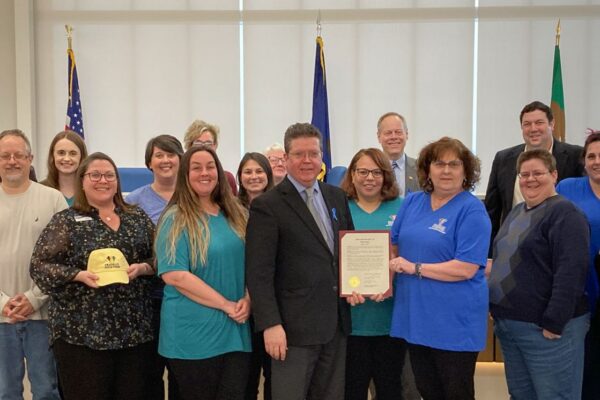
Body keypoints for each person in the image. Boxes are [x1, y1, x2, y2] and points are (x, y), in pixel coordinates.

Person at [30, 152, 156, 400]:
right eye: (95, 175)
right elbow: (40, 267)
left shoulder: (137, 218)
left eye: (109, 175)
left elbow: (163, 259)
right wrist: (77, 275)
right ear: (82, 180)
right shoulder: (66, 221)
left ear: (117, 181)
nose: (103, 180)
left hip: (134, 334)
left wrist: (143, 268)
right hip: (81, 335)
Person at [246, 122, 354, 400]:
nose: (307, 161)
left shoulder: (336, 196)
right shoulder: (267, 205)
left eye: (313, 153)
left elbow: (348, 252)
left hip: (335, 324)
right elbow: (259, 272)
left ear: (321, 158)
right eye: (299, 154)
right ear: (286, 157)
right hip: (292, 330)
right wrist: (270, 324)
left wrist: (358, 283)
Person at [388, 136, 491, 400]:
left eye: (454, 165)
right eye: (439, 164)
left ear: (466, 171)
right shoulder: (412, 202)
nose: (446, 171)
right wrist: (377, 279)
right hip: (416, 316)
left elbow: (466, 268)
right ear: (427, 169)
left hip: (454, 322)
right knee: (428, 390)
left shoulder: (473, 210)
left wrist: (415, 268)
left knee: (455, 392)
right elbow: (393, 247)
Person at [489, 149, 590, 399]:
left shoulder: (566, 214)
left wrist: (554, 323)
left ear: (554, 175)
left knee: (555, 395)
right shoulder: (517, 212)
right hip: (512, 327)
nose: (530, 179)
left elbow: (571, 272)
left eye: (538, 173)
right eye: (524, 174)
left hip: (547, 331)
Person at [155, 146, 251, 400]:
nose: (204, 173)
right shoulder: (175, 218)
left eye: (210, 167)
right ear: (185, 175)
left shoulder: (237, 215)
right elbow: (174, 275)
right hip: (193, 333)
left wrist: (248, 299)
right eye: (196, 168)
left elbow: (255, 265)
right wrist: (226, 305)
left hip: (235, 328)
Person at [0, 129, 65, 400]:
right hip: (1, 317)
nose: (12, 161)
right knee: (5, 392)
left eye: (19, 155)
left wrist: (34, 298)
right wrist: (2, 302)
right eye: (5, 155)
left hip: (44, 315)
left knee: (47, 390)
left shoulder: (53, 199)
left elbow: (65, 259)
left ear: (31, 158)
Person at [339, 148, 405, 400]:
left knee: (390, 390)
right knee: (351, 391)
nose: (370, 178)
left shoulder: (401, 207)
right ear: (352, 175)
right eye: (363, 171)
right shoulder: (338, 207)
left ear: (386, 175)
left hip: (390, 320)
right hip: (351, 321)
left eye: (376, 172)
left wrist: (388, 279)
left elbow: (407, 253)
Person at [126, 134, 184, 400]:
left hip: (186, 297)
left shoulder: (193, 196)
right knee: (149, 372)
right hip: (147, 299)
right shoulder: (134, 201)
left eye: (170, 154)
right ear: (149, 162)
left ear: (180, 159)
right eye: (159, 155)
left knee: (181, 371)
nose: (165, 160)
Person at [484, 101, 584, 251]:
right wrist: (490, 254)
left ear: (552, 124)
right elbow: (492, 210)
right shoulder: (503, 158)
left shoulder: (575, 156)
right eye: (527, 124)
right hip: (511, 247)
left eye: (539, 123)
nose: (533, 129)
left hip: (556, 245)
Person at [555, 130, 600, 400]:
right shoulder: (568, 188)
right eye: (591, 156)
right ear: (584, 161)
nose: (596, 161)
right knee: (583, 361)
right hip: (580, 284)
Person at [236, 152, 274, 400]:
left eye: (259, 171)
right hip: (240, 303)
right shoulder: (228, 210)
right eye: (248, 172)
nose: (254, 176)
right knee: (245, 375)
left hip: (272, 304)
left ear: (268, 175)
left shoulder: (281, 207)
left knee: (275, 373)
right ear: (239, 177)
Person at [183, 119, 238, 195]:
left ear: (215, 146)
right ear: (189, 147)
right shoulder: (181, 179)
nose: (203, 147)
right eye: (198, 143)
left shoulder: (227, 179)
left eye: (208, 143)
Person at [40, 130, 88, 206]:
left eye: (73, 153)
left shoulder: (90, 191)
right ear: (52, 156)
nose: (66, 159)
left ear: (81, 158)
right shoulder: (40, 190)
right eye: (61, 153)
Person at [377, 112, 419, 196]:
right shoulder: (370, 170)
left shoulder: (421, 168)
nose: (394, 137)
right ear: (379, 137)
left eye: (398, 132)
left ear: (406, 135)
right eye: (388, 133)